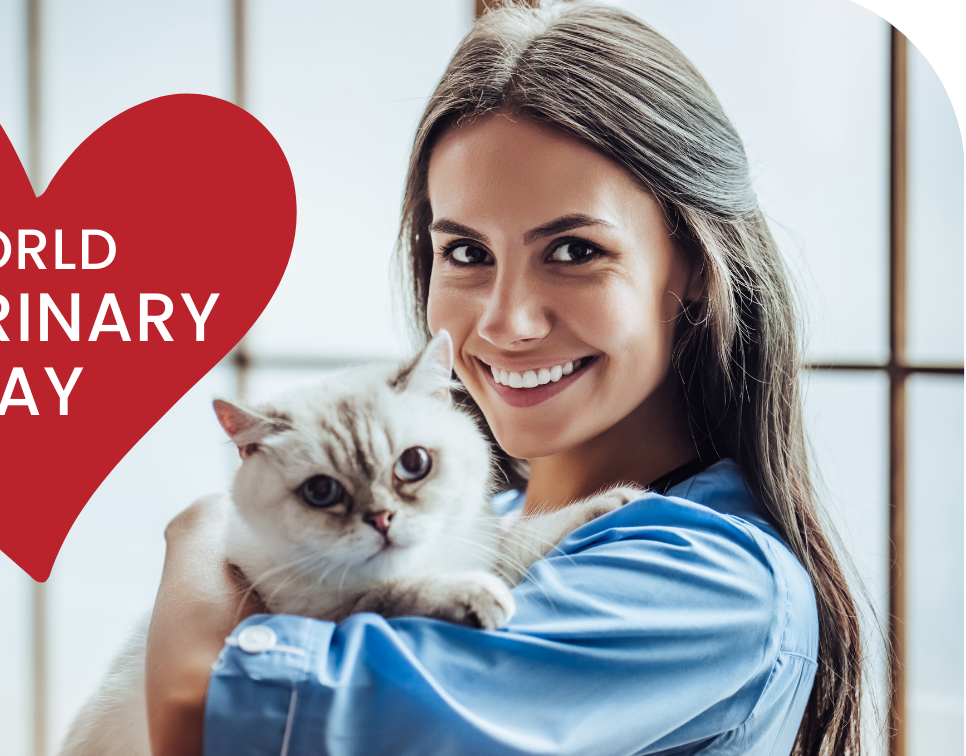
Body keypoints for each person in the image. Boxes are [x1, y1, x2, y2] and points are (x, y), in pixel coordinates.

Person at [143, 2, 864, 754]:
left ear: (696, 265)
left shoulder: (705, 585)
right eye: (465, 253)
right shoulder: (481, 523)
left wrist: (196, 542)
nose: (504, 322)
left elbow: (197, 719)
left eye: (576, 251)